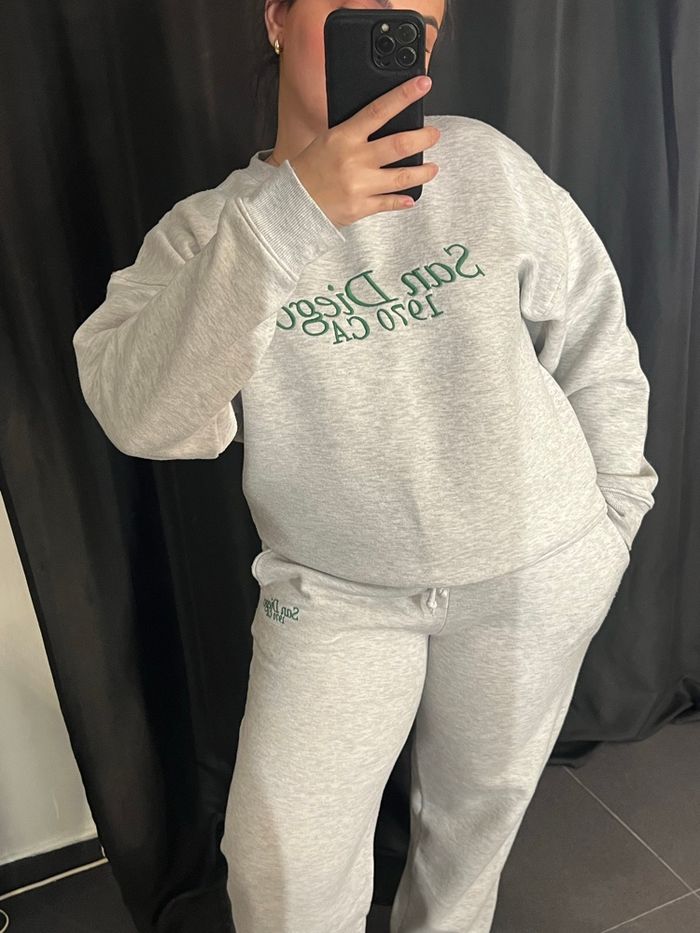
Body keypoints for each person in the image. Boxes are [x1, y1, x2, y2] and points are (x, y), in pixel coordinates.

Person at [72, 1, 658, 931]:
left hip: (533, 568)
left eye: (418, 21)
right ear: (277, 18)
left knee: (471, 836)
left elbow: (595, 332)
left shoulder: (479, 164)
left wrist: (616, 509)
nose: (395, 32)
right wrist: (289, 219)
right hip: (334, 591)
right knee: (283, 866)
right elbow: (140, 415)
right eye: (362, 7)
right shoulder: (208, 232)